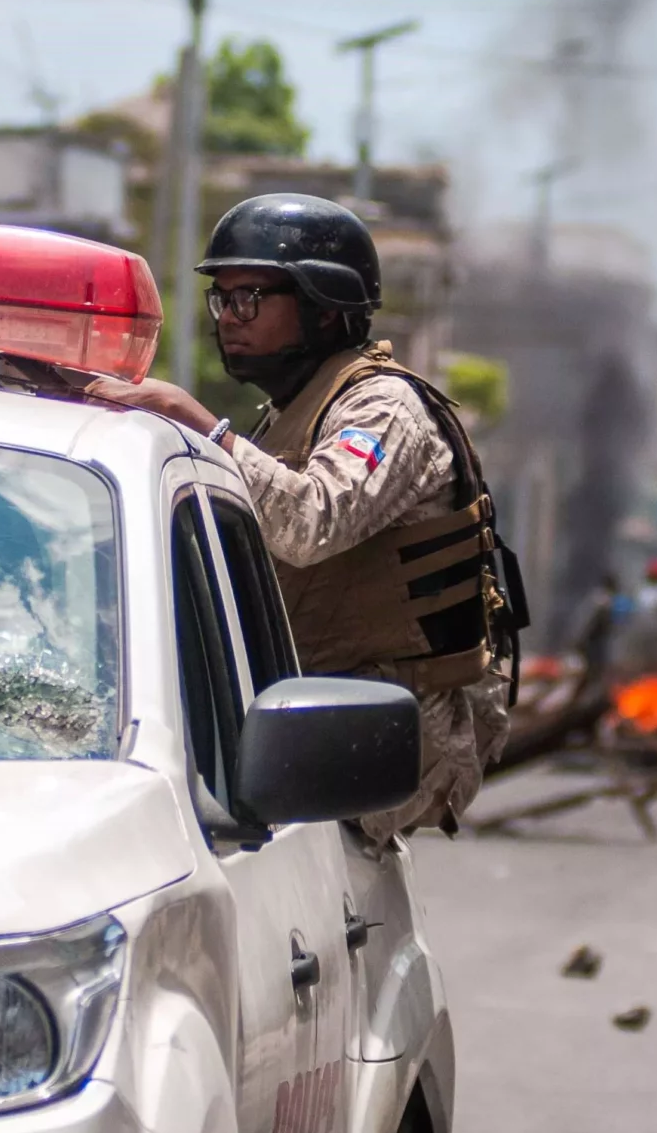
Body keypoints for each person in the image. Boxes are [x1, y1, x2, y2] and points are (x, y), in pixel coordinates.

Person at [89, 194, 516, 843]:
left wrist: (203, 425)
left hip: (381, 732)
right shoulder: (293, 411)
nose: (230, 318)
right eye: (223, 299)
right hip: (305, 717)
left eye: (251, 297)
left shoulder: (384, 409)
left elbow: (311, 522)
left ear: (323, 307)